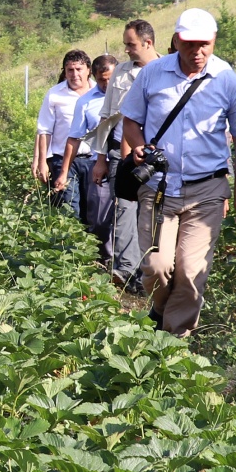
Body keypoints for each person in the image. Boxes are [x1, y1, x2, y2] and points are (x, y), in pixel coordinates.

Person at [120, 8, 236, 337]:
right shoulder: (153, 74)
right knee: (156, 266)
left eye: (204, 45)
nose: (196, 52)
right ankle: (158, 308)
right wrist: (139, 146)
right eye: (189, 44)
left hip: (207, 191)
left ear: (213, 42)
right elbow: (130, 120)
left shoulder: (227, 80)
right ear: (176, 40)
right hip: (158, 187)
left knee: (190, 270)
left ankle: (172, 343)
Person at [91, 20, 159, 292]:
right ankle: (125, 270)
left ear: (147, 43)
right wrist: (100, 159)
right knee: (124, 211)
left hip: (154, 157)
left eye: (130, 44)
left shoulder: (166, 71)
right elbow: (106, 118)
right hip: (121, 152)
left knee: (153, 214)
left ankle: (150, 273)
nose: (127, 49)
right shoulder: (120, 72)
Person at [55, 54, 117, 253]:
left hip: (127, 162)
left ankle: (124, 267)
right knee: (98, 219)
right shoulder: (85, 102)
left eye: (111, 79)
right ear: (94, 76)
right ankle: (100, 259)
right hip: (100, 166)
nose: (107, 84)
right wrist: (64, 172)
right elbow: (74, 138)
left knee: (127, 217)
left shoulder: (131, 94)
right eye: (102, 80)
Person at [34, 50, 93, 215]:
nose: (74, 74)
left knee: (93, 211)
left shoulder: (100, 92)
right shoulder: (54, 94)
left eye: (79, 69)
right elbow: (44, 130)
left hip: (94, 160)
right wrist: (42, 162)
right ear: (64, 72)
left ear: (88, 69)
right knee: (70, 209)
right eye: (70, 70)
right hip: (63, 161)